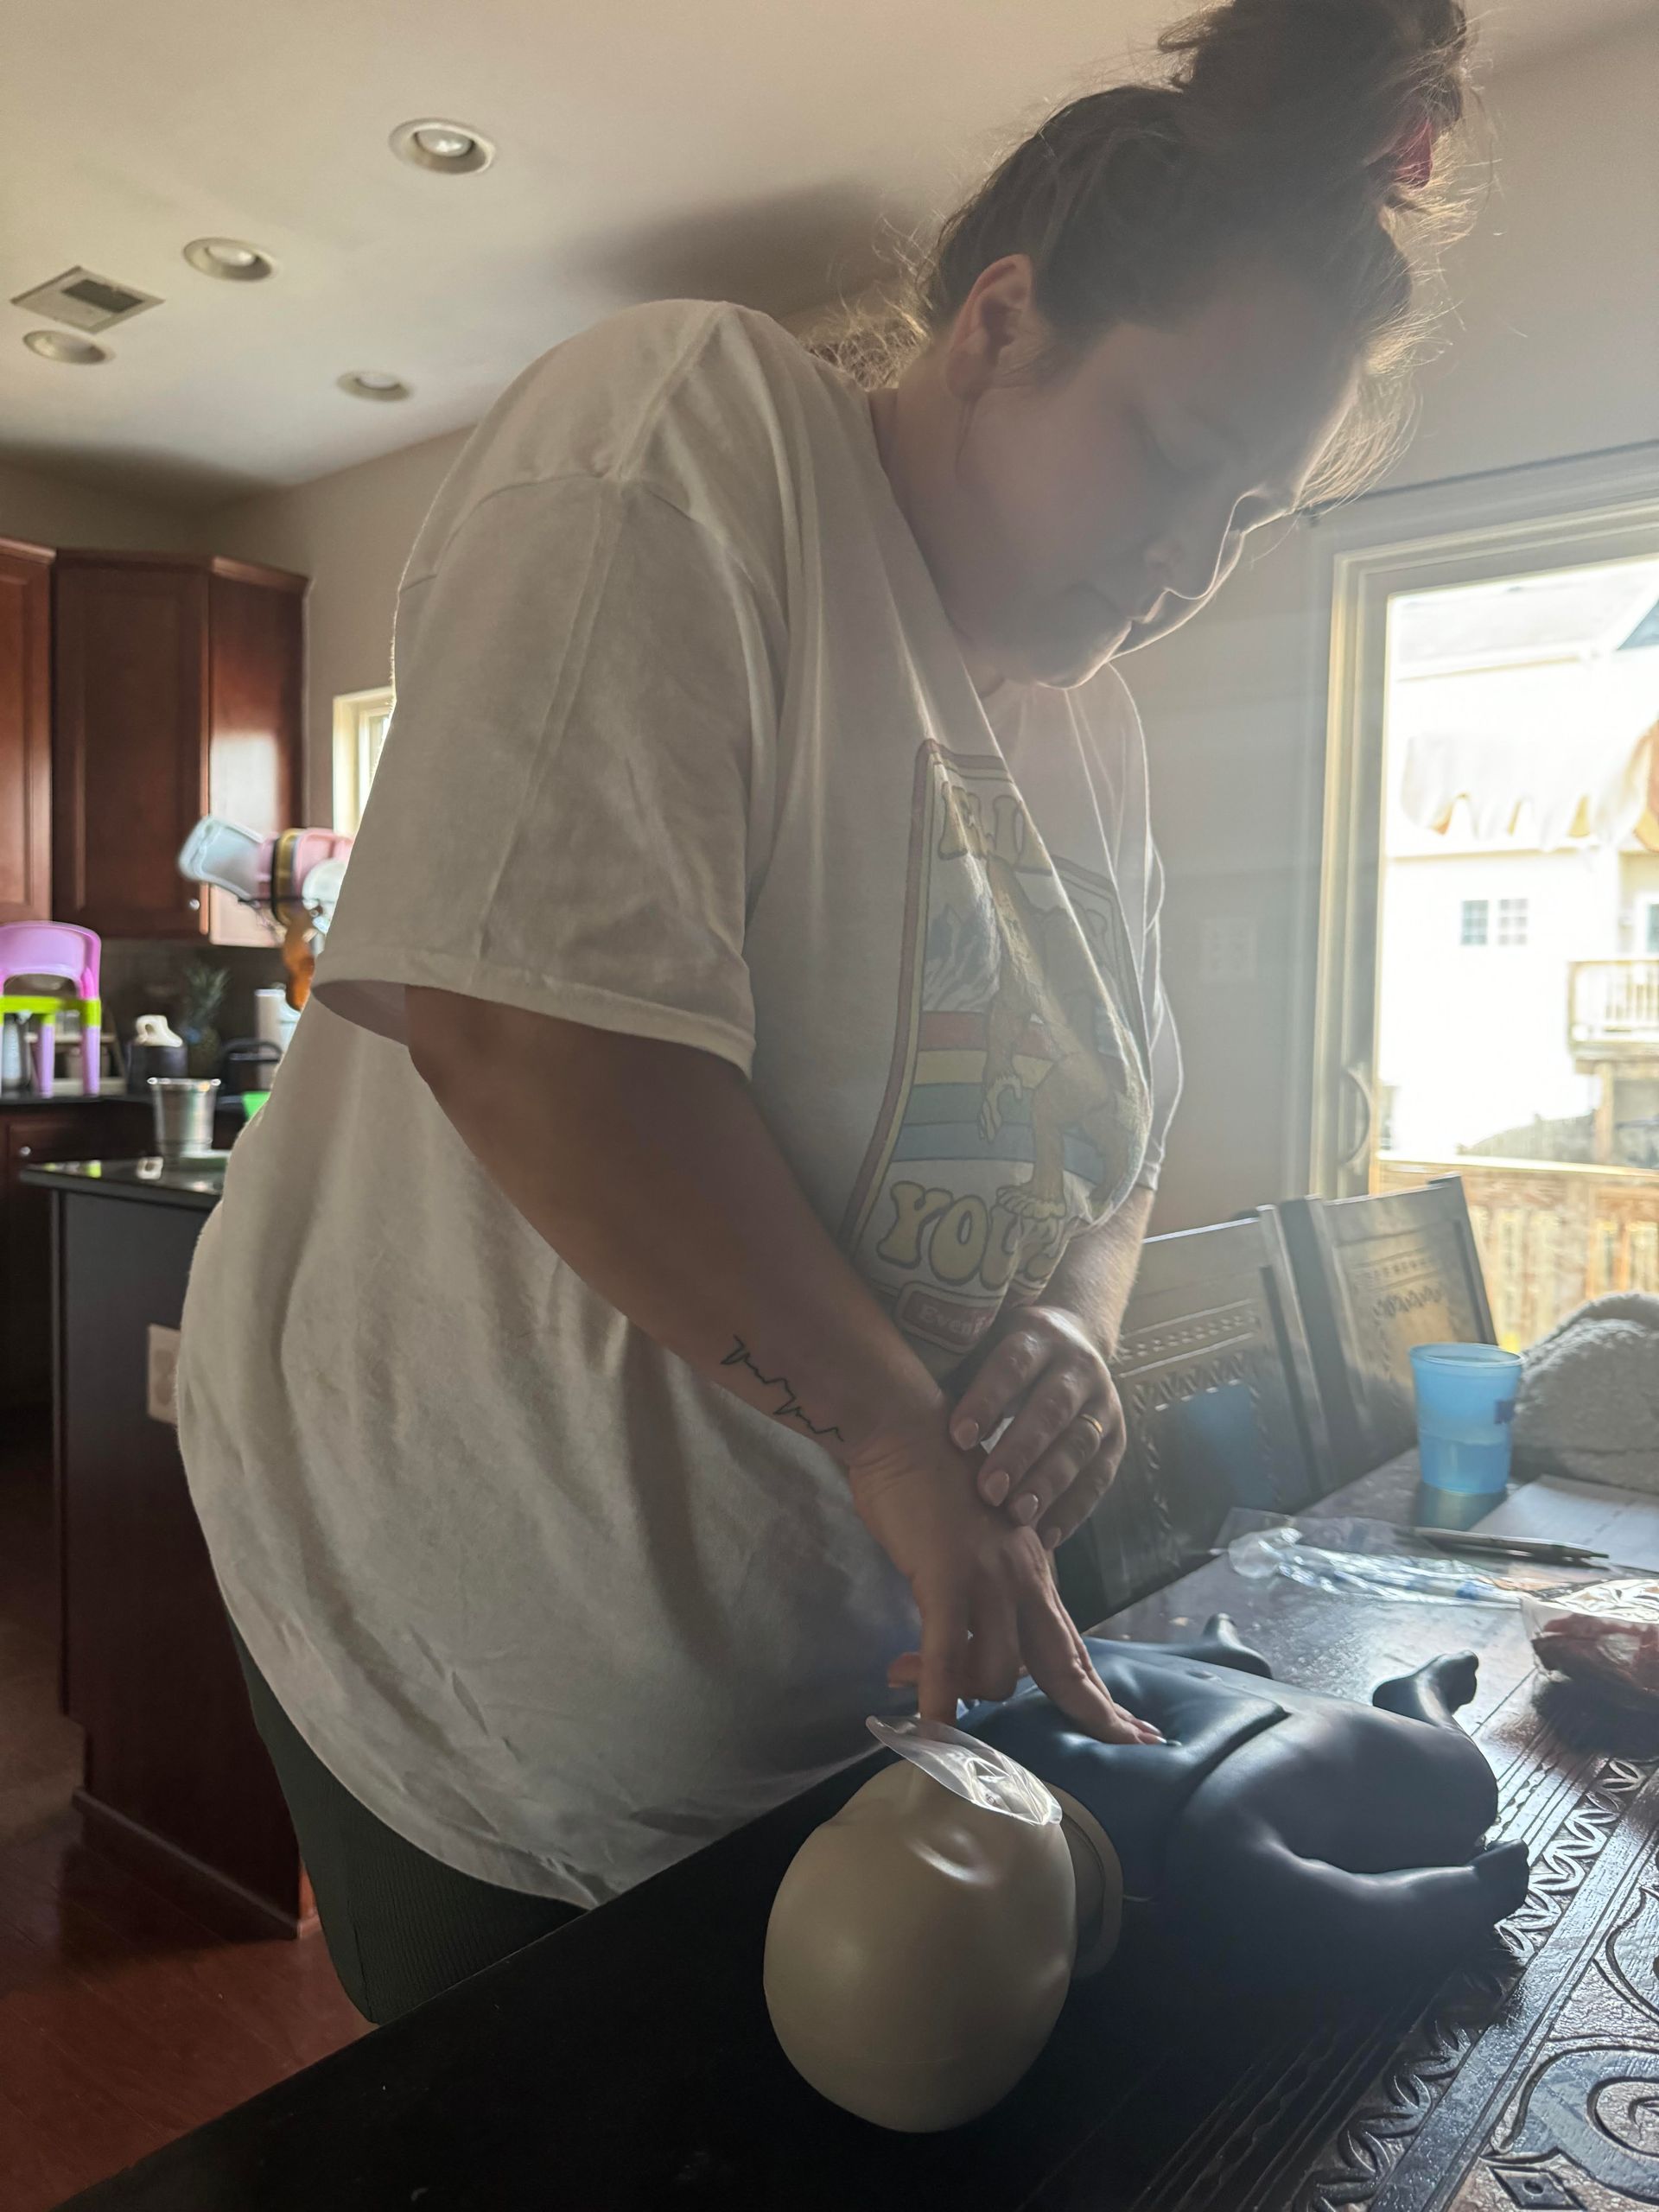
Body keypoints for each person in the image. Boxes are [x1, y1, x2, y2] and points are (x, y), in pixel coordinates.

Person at [178, 0, 1471, 2023]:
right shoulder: (698, 430)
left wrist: (1073, 1315)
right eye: (1170, 455)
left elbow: (1118, 1157)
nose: (1180, 559)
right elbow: (527, 1035)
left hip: (823, 1708)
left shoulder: (1101, 749)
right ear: (1001, 320)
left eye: (1241, 519)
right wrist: (889, 1422)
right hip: (469, 1661)